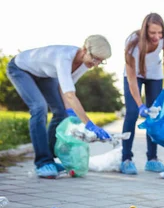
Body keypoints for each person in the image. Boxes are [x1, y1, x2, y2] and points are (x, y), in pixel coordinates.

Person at [7, 35, 112, 178]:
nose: (96, 64)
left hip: (44, 75)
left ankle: (49, 158)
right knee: (39, 108)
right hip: (21, 69)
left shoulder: (84, 64)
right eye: (95, 58)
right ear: (84, 49)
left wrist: (69, 110)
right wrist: (89, 124)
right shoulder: (64, 57)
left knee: (61, 112)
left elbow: (66, 88)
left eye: (100, 61)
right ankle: (42, 162)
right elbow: (70, 95)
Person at [120, 13, 164, 175]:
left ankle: (152, 159)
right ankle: (126, 158)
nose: (157, 37)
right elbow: (131, 79)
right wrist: (139, 104)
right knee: (132, 113)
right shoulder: (132, 43)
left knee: (154, 115)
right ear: (145, 31)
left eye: (160, 33)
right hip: (134, 76)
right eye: (152, 33)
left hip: (155, 76)